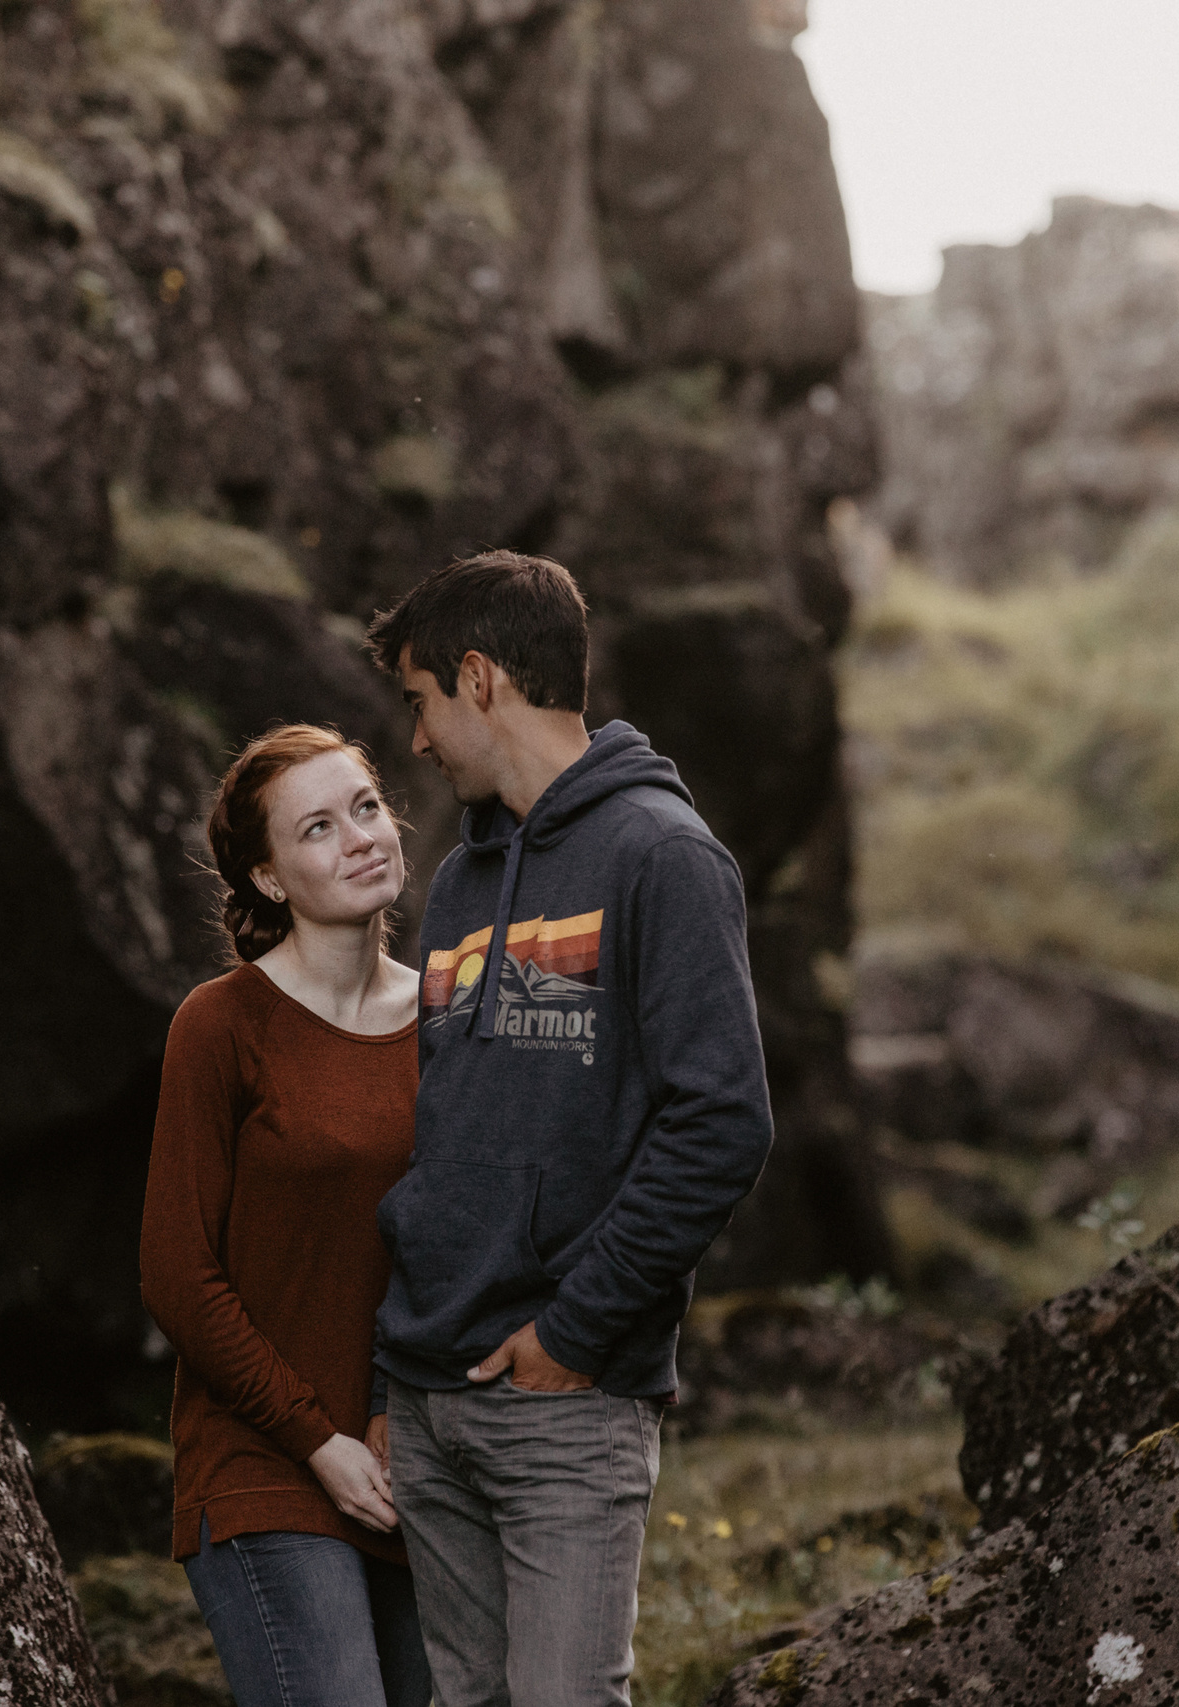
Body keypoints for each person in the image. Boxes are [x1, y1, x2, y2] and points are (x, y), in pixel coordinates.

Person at [362, 550, 775, 1707]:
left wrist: (578, 1331)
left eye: (420, 702)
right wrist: (391, 1383)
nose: (417, 741)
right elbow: (441, 1134)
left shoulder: (663, 856)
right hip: (427, 1397)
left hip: (563, 1402)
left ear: (479, 678)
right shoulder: (459, 880)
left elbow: (722, 1122)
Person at [139, 723, 434, 1707]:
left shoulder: (450, 1019)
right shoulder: (221, 1026)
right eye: (317, 828)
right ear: (268, 878)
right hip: (263, 1467)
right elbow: (177, 1274)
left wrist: (396, 1423)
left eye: (365, 807)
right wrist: (317, 1439)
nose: (360, 838)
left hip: (414, 1470)